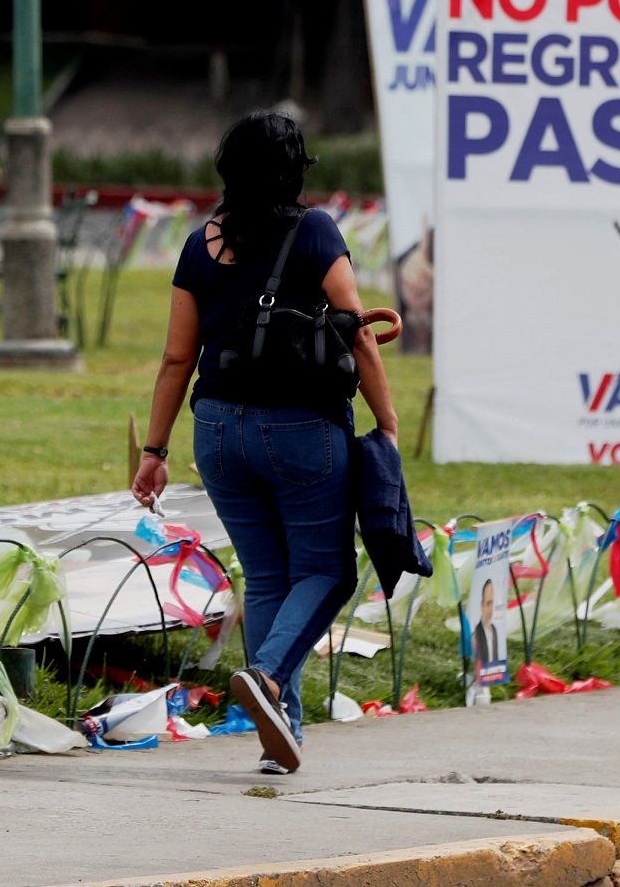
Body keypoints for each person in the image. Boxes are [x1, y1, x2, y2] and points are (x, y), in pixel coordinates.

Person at [131, 109, 397, 775]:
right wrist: (386, 422)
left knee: (273, 574)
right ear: (293, 169)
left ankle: (282, 733)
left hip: (217, 431)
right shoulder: (314, 231)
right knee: (329, 570)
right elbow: (360, 328)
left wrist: (154, 451)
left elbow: (174, 358)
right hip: (301, 428)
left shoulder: (201, 243)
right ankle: (271, 676)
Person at [473, 577, 505, 674]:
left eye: (493, 604)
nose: (491, 610)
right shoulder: (476, 633)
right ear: (482, 605)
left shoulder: (494, 629)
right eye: (488, 604)